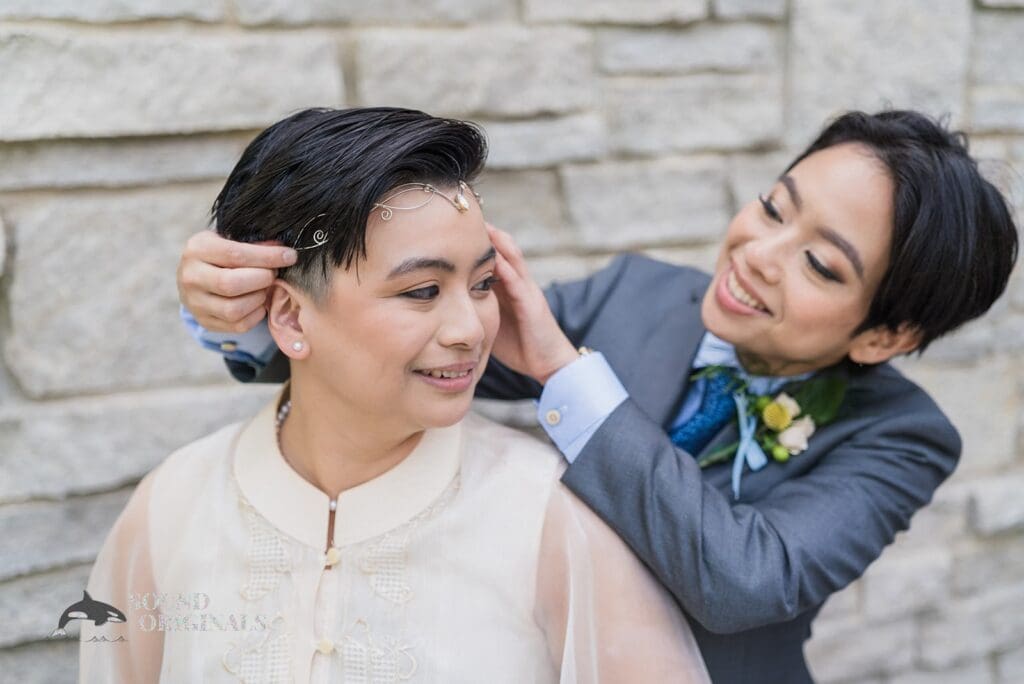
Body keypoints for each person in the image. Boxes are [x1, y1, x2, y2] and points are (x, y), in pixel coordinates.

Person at [177, 110, 1020, 683]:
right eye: (773, 208)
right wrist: (248, 314)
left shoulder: (902, 438)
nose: (759, 253)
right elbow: (405, 358)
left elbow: (746, 583)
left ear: (885, 336)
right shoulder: (637, 294)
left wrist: (565, 370)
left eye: (821, 264)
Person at [81, 107, 710, 683]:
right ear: (291, 317)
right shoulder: (173, 505)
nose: (470, 330)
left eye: (483, 284)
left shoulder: (549, 518)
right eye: (422, 291)